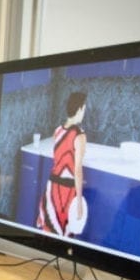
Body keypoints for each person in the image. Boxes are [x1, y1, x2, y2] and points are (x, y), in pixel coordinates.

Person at [36, 92, 87, 236]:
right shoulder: (80, 135)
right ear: (80, 109)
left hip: (51, 188)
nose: (84, 112)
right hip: (67, 192)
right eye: (84, 108)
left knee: (49, 230)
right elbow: (77, 171)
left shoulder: (57, 131)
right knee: (64, 236)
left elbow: (59, 160)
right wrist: (79, 203)